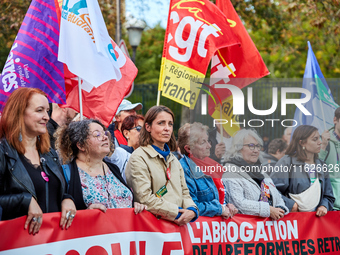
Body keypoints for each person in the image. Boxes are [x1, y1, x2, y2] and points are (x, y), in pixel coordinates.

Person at [0, 88, 76, 235]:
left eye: (47, 111)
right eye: (39, 110)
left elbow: (58, 191)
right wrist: (24, 200)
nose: (46, 117)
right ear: (19, 113)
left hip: (52, 244)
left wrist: (67, 199)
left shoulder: (50, 153)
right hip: (16, 244)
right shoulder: (4, 152)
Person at [125, 105, 198, 225]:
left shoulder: (173, 159)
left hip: (178, 227)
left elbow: (185, 192)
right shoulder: (138, 158)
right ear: (148, 127)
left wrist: (192, 210)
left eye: (170, 124)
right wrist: (178, 213)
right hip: (154, 229)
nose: (167, 128)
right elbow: (145, 199)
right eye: (161, 123)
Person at [55, 119, 146, 214]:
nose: (105, 137)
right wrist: (85, 214)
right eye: (97, 134)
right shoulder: (67, 173)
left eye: (105, 133)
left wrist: (135, 206)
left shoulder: (113, 168)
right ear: (81, 145)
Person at [222, 129, 288, 220]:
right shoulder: (230, 173)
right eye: (251, 146)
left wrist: (280, 209)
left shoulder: (262, 173)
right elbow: (239, 204)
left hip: (269, 230)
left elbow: (277, 196)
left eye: (258, 146)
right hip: (246, 231)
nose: (256, 150)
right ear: (238, 148)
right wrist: (269, 210)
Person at [177, 122, 238, 218]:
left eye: (208, 141)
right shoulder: (184, 170)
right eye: (203, 142)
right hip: (197, 231)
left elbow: (219, 197)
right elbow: (192, 207)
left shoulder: (211, 165)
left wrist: (227, 205)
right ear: (188, 148)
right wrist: (220, 209)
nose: (209, 146)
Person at [272, 125, 334, 216]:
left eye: (319, 138)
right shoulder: (286, 162)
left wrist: (324, 206)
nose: (320, 142)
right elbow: (272, 190)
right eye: (315, 139)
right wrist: (290, 205)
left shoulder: (322, 164)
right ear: (301, 143)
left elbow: (328, 196)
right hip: (293, 222)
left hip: (316, 223)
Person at [319, 107, 340, 210]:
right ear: (335, 120)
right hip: (332, 206)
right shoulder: (323, 141)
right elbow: (314, 167)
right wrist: (323, 145)